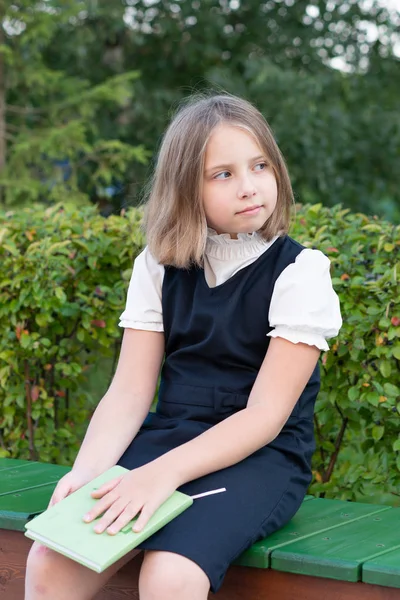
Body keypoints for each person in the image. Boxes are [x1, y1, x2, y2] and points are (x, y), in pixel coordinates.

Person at [25, 94, 342, 600]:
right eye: (223, 174)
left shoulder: (300, 274)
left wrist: (157, 477)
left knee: (170, 575)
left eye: (260, 165)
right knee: (51, 560)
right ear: (185, 189)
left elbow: (265, 416)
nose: (249, 187)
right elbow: (129, 393)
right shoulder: (157, 266)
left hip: (259, 456)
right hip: (167, 438)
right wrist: (86, 472)